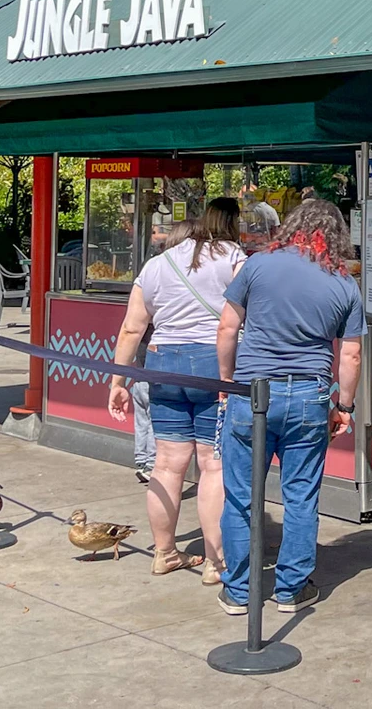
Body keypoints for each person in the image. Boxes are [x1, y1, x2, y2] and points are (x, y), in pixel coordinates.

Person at [214, 197, 364, 616]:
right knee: (300, 496)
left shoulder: (258, 265)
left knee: (241, 496)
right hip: (309, 397)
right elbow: (351, 355)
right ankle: (291, 590)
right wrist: (344, 406)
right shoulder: (343, 282)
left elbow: (227, 328)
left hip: (251, 391)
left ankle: (238, 591)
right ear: (336, 236)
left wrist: (225, 382)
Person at [107, 197, 246, 582]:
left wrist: (118, 381)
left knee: (167, 463)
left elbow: (132, 328)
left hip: (162, 362)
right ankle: (216, 563)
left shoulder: (156, 264)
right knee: (212, 464)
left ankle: (165, 553)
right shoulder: (232, 256)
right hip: (213, 366)